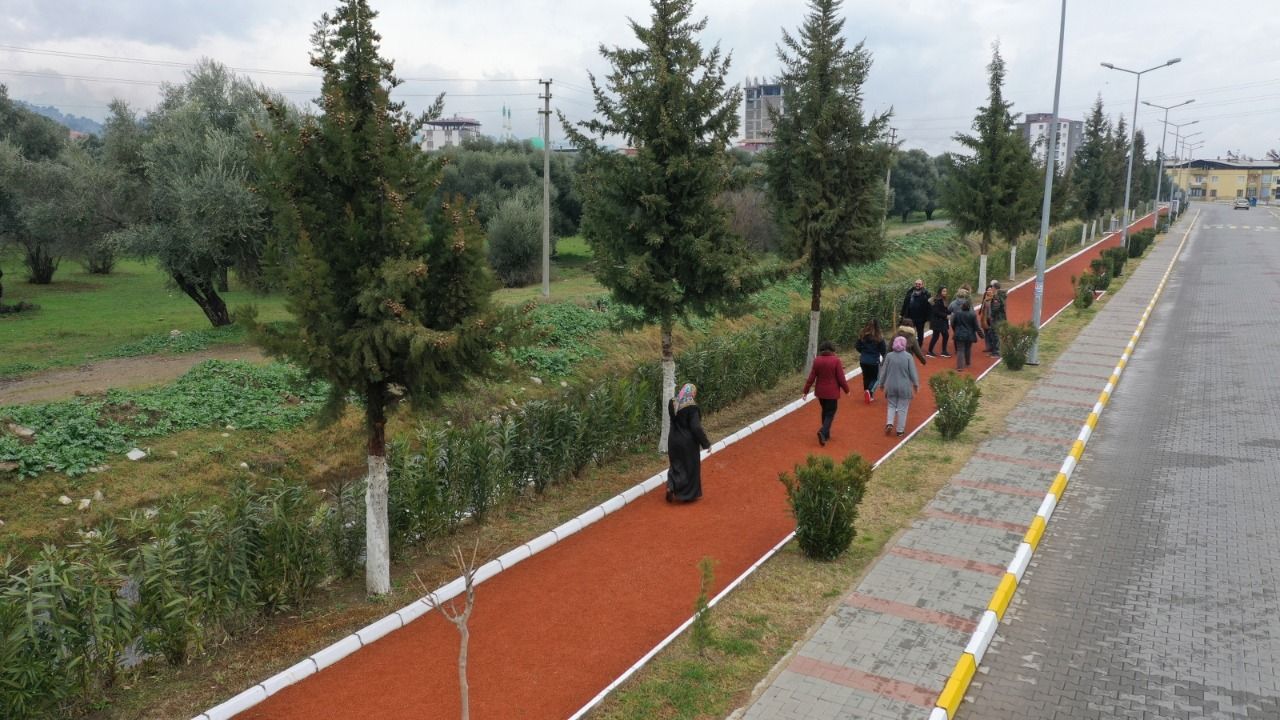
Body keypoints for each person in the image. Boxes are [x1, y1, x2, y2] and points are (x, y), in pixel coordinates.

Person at [667, 383, 711, 503]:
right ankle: (687, 495)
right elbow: (696, 427)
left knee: (676, 464)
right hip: (687, 443)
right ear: (692, 392)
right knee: (690, 467)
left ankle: (671, 486)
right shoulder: (692, 407)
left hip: (673, 440)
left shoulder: (672, 402)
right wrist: (706, 443)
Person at [803, 341, 851, 446]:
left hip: (820, 392)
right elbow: (841, 378)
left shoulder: (817, 361)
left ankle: (826, 434)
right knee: (830, 412)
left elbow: (811, 377)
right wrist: (847, 390)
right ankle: (823, 431)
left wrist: (805, 391)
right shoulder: (836, 361)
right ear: (832, 350)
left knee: (825, 411)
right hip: (832, 393)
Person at [880, 336, 920, 437]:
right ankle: (900, 431)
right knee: (903, 408)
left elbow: (883, 371)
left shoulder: (889, 356)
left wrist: (881, 384)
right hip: (904, 387)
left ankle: (889, 423)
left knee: (891, 405)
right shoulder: (908, 357)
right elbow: (912, 373)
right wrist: (916, 384)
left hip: (891, 386)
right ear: (904, 344)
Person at [855, 320, 887, 403]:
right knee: (876, 378)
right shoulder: (879, 337)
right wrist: (885, 359)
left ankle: (866, 392)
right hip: (874, 361)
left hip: (863, 360)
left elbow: (857, 346)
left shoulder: (862, 336)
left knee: (866, 377)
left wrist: (863, 352)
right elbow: (884, 350)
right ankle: (870, 391)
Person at [899, 278, 932, 347]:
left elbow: (930, 307)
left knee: (920, 333)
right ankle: (908, 345)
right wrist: (901, 314)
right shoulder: (910, 292)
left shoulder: (926, 294)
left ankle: (919, 346)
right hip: (910, 317)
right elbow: (905, 304)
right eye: (916, 284)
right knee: (908, 332)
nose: (917, 285)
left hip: (921, 318)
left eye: (919, 284)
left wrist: (929, 317)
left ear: (922, 285)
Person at [951, 299, 980, 370]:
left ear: (962, 306)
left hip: (959, 334)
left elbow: (953, 323)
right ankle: (967, 362)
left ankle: (960, 367)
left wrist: (955, 330)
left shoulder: (957, 313)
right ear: (969, 307)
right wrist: (981, 335)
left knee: (960, 350)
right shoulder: (973, 315)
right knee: (968, 349)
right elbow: (976, 326)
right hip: (969, 334)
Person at [981, 280, 1007, 356]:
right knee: (992, 333)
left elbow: (996, 308)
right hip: (999, 318)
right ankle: (994, 350)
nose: (991, 289)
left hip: (997, 319)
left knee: (995, 335)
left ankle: (996, 352)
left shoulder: (997, 297)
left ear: (994, 288)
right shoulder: (1001, 295)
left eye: (992, 287)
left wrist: (991, 315)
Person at [927, 287, 952, 358]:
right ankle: (940, 351)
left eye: (946, 291)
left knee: (939, 336)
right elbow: (936, 312)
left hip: (941, 321)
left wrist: (950, 312)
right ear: (940, 292)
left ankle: (932, 351)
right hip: (938, 321)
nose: (945, 293)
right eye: (943, 291)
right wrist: (946, 316)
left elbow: (944, 309)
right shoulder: (937, 300)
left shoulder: (944, 299)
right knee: (940, 336)